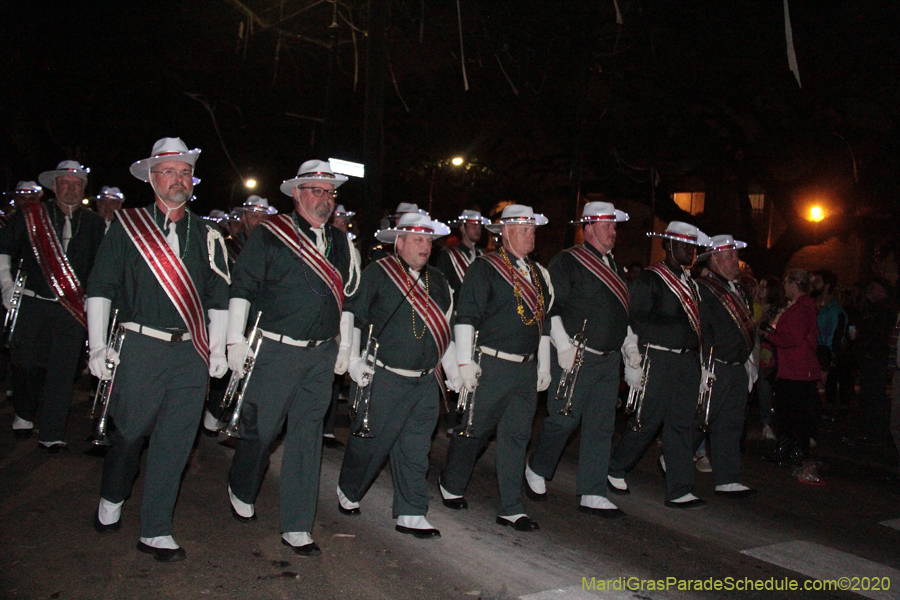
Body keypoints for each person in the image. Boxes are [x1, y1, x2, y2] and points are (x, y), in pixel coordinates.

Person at [86, 137, 230, 562]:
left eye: (185, 172)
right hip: (140, 346)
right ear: (152, 178)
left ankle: (156, 528)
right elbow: (101, 287)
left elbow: (218, 296)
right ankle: (113, 494)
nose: (178, 179)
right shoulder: (128, 226)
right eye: (169, 171)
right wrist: (96, 347)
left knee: (177, 441)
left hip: (190, 352)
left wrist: (218, 349)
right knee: (129, 434)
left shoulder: (207, 234)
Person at [225, 159, 360, 557]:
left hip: (321, 355)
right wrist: (234, 339)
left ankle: (298, 524)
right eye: (316, 190)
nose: (325, 199)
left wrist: (346, 347)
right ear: (297, 194)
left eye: (330, 192)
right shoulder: (270, 234)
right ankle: (242, 482)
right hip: (276, 349)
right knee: (261, 431)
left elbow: (347, 298)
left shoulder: (341, 243)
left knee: (307, 439)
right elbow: (243, 287)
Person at [337, 212, 460, 539]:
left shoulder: (440, 281)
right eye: (417, 239)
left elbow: (443, 332)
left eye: (429, 239)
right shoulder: (377, 273)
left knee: (416, 448)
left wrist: (454, 370)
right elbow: (352, 315)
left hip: (424, 381)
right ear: (399, 243)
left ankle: (412, 511)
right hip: (384, 377)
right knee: (370, 445)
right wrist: (352, 358)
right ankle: (349, 487)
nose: (425, 245)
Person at [440, 204, 552, 532]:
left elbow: (541, 324)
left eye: (533, 229)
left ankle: (510, 506)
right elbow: (467, 316)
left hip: (525, 369)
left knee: (517, 436)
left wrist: (543, 365)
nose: (531, 234)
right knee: (475, 429)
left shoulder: (537, 273)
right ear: (505, 232)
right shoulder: (485, 268)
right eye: (524, 229)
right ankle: (452, 482)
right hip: (491, 363)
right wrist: (463, 362)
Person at [524, 202, 630, 518]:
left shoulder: (617, 268)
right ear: (589, 228)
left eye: (614, 224)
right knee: (564, 418)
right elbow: (551, 308)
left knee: (601, 425)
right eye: (607, 224)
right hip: (575, 354)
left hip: (608, 361)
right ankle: (537, 466)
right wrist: (562, 345)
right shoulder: (567, 262)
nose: (613, 230)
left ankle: (592, 491)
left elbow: (623, 314)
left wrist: (630, 348)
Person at [0, 161, 105, 448]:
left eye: (77, 184)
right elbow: (4, 249)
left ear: (83, 189)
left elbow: (101, 266)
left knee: (64, 369)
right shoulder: (32, 215)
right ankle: (23, 412)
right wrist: (6, 285)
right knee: (25, 365)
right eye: (65, 183)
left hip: (72, 309)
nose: (71, 189)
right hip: (33, 305)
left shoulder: (94, 223)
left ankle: (52, 433)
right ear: (54, 186)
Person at [608, 221, 710, 509]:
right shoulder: (651, 280)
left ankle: (679, 488)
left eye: (692, 246)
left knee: (681, 423)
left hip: (686, 360)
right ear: (667, 245)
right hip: (658, 357)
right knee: (647, 420)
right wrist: (633, 359)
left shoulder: (691, 283)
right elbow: (633, 320)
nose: (689, 250)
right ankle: (616, 465)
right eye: (683, 245)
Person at [695, 235, 757, 497]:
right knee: (701, 419)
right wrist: (702, 365)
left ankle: (727, 477)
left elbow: (749, 327)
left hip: (737, 366)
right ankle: (677, 455)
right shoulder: (703, 288)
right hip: (715, 364)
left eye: (736, 255)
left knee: (731, 423)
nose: (736, 261)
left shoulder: (740, 289)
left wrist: (751, 362)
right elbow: (702, 329)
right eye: (730, 256)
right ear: (714, 260)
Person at [762, 269, 820, 467]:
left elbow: (793, 338)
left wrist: (770, 336)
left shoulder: (803, 308)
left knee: (795, 413)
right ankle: (785, 449)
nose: (784, 288)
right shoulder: (797, 307)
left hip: (798, 369)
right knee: (787, 412)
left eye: (787, 283)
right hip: (790, 368)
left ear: (794, 284)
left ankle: (796, 451)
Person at [323, 204, 359, 449]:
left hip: (340, 317)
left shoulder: (350, 249)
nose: (343, 224)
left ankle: (326, 427)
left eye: (345, 221)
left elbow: (354, 287)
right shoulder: (321, 244)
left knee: (336, 373)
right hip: (321, 314)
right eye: (339, 219)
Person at [854, 277, 895, 444]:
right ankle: (868, 431)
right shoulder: (873, 309)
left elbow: (882, 335)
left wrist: (873, 352)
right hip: (869, 358)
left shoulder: (885, 310)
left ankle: (874, 432)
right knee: (868, 394)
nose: (869, 290)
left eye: (872, 286)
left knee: (874, 395)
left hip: (876, 360)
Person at [436, 209, 488, 305]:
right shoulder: (448, 255)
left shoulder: (481, 255)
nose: (478, 229)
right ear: (462, 228)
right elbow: (440, 288)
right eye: (473, 225)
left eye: (480, 226)